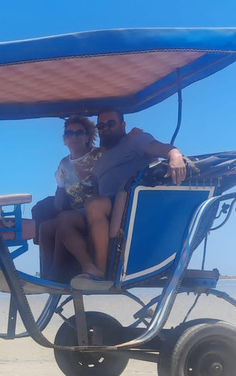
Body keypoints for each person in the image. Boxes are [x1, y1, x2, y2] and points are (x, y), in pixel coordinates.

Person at [58, 109, 187, 289]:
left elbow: (162, 148)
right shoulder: (101, 160)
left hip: (133, 204)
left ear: (123, 125)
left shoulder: (135, 139)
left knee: (95, 204)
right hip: (106, 207)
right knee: (65, 219)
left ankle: (101, 272)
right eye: (101, 126)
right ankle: (88, 266)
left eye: (111, 123)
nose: (106, 129)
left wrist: (175, 155)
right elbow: (95, 191)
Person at [37, 116, 102, 281]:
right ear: (64, 139)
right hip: (75, 213)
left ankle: (79, 269)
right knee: (45, 227)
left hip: (97, 212)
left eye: (79, 133)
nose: (74, 137)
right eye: (69, 133)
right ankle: (46, 276)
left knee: (63, 221)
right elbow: (60, 193)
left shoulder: (100, 155)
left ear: (87, 137)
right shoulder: (63, 164)